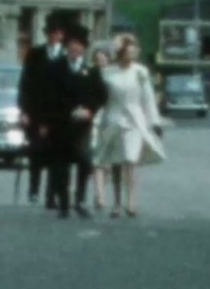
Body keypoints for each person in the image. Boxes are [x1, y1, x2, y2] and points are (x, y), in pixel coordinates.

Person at [93, 35, 165, 218]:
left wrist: (154, 121)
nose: (131, 56)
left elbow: (148, 98)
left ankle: (131, 201)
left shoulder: (140, 72)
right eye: (127, 52)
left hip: (134, 120)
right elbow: (99, 97)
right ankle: (116, 202)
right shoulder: (108, 73)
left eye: (133, 52)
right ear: (120, 54)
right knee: (116, 162)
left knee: (131, 160)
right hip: (113, 118)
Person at [47, 25, 106, 219]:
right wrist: (66, 111)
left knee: (84, 160)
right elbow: (48, 95)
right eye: (71, 44)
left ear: (84, 48)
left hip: (82, 126)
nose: (74, 48)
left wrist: (89, 110)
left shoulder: (91, 70)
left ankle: (80, 200)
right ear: (66, 46)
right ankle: (63, 203)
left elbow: (101, 95)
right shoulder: (56, 67)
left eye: (78, 45)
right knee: (61, 165)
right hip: (61, 124)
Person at [16, 16, 66, 208]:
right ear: (46, 35)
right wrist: (24, 111)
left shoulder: (65, 55)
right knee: (36, 153)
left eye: (58, 33)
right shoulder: (35, 54)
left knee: (55, 156)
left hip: (57, 114)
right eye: (51, 33)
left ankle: (51, 194)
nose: (54, 36)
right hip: (36, 111)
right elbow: (25, 84)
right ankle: (34, 189)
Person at [89, 47, 114, 209]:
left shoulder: (115, 74)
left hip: (112, 117)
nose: (100, 61)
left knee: (108, 161)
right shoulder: (91, 75)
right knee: (98, 156)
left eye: (103, 58)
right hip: (96, 118)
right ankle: (100, 194)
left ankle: (101, 188)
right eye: (97, 59)